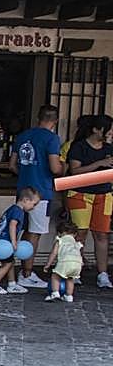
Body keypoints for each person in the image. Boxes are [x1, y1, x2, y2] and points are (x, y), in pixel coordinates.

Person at [10, 105, 64, 288]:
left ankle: (21, 270)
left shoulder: (23, 136)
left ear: (38, 118)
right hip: (41, 192)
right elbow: (55, 168)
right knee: (34, 233)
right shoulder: (52, 138)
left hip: (22, 190)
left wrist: (26, 175)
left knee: (23, 230)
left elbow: (12, 165)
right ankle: (27, 273)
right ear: (55, 121)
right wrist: (64, 168)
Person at [65, 114, 113, 289]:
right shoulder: (78, 147)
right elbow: (75, 171)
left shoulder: (110, 148)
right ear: (96, 130)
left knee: (102, 235)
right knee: (80, 234)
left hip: (104, 195)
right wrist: (100, 163)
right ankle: (75, 271)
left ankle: (103, 274)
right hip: (80, 193)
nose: (111, 132)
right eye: (108, 129)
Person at [0, 187, 42, 295]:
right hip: (4, 243)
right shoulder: (18, 212)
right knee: (7, 264)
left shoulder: (12, 208)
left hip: (0, 241)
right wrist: (14, 242)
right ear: (25, 200)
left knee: (10, 263)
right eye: (33, 204)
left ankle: (12, 284)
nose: (33, 208)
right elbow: (12, 225)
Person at [44, 215, 83, 304]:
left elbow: (54, 253)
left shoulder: (60, 240)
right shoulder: (76, 243)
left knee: (55, 276)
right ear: (75, 234)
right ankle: (69, 296)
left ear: (59, 233)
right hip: (77, 263)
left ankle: (55, 293)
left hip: (65, 262)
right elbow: (78, 253)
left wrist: (48, 265)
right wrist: (81, 263)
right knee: (70, 278)